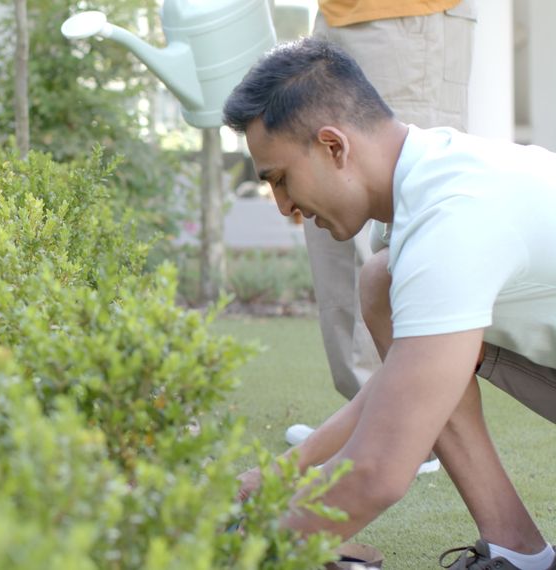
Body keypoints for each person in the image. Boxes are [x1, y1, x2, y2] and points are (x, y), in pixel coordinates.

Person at [224, 37, 556, 570]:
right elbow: (408, 382)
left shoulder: (452, 220)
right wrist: (276, 477)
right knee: (382, 282)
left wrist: (232, 553)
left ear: (334, 147)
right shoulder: (423, 181)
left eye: (280, 180)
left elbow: (379, 472)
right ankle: (520, 554)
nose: (284, 206)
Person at [284, 1, 476, 470]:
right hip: (337, 13)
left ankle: (412, 430)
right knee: (322, 192)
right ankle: (362, 416)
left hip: (408, 17)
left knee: (407, 204)